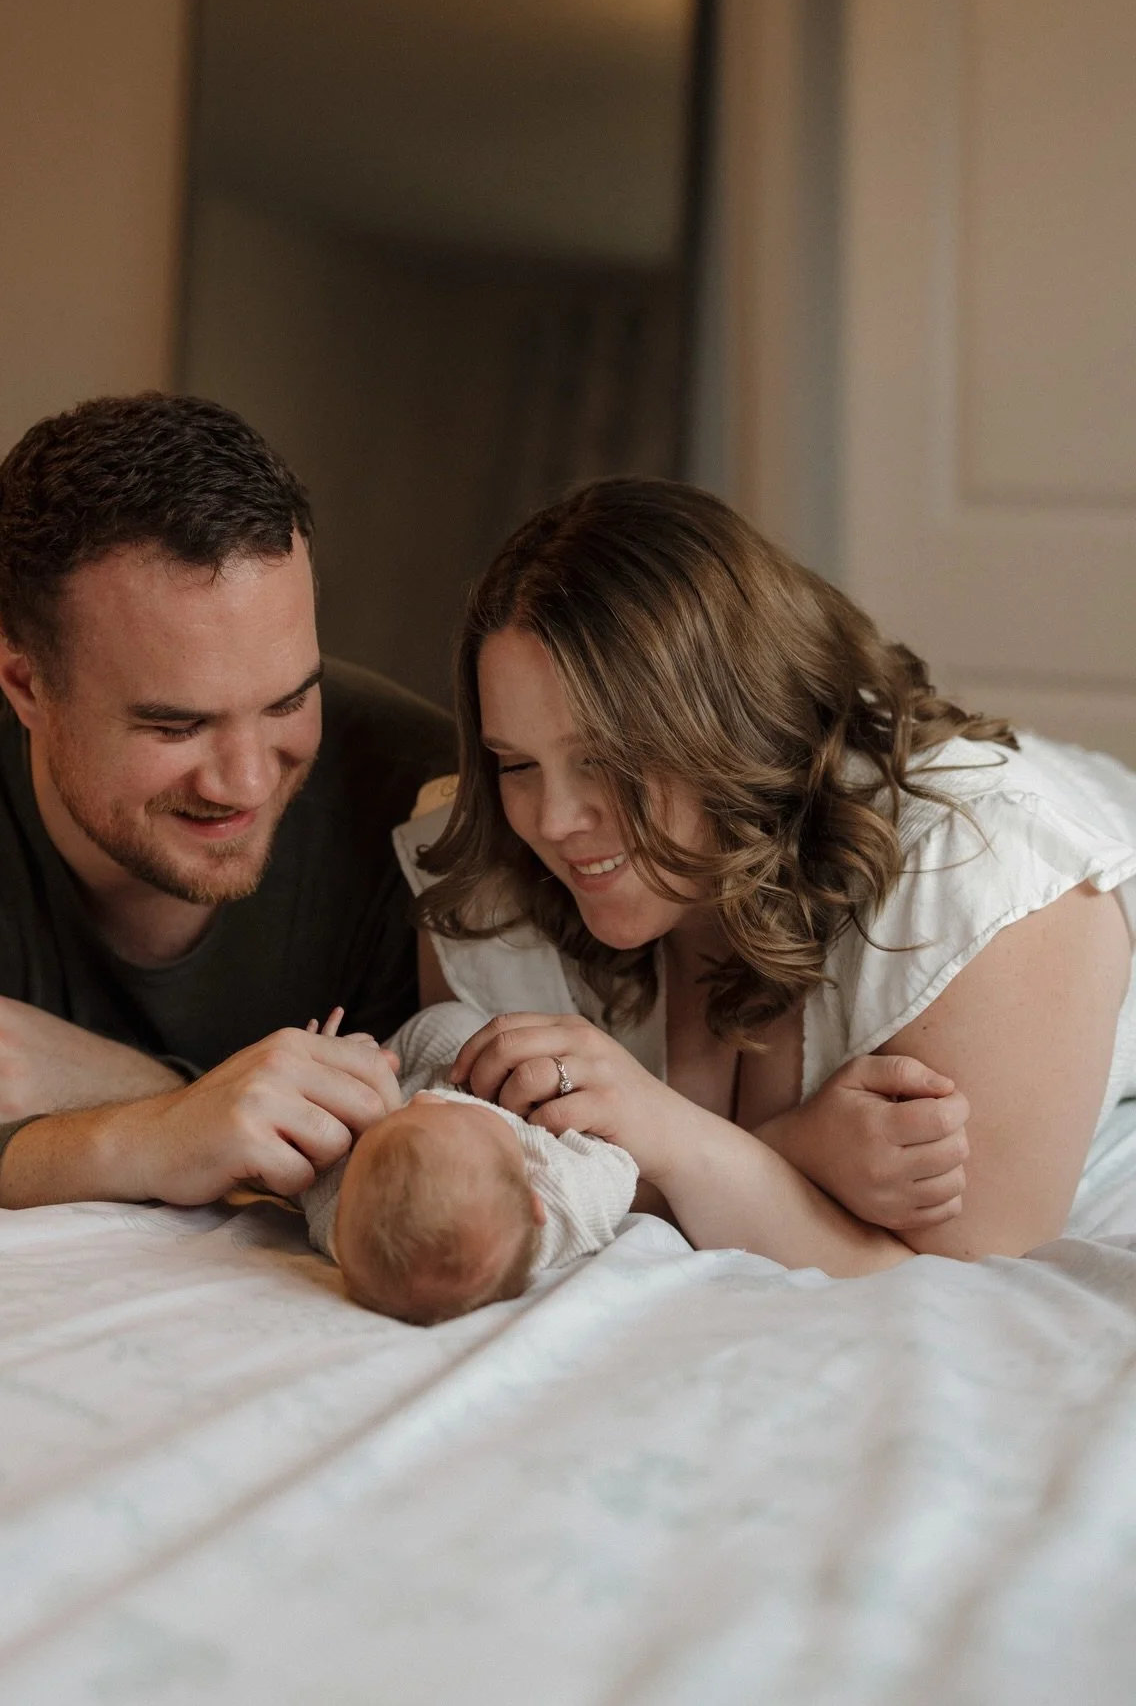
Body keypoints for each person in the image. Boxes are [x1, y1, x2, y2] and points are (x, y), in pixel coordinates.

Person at [0, 394, 453, 1206]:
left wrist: (121, 1086)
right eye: (176, 724)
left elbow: (456, 1160)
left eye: (287, 703)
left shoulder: (422, 790)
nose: (245, 780)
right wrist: (150, 1134)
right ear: (23, 679)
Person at [400, 478, 1136, 1265]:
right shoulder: (492, 883)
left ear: (728, 728)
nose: (552, 819)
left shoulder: (987, 880)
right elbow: (487, 1193)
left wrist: (677, 1140)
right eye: (516, 763)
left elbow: (963, 1292)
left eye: (603, 761)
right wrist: (782, 1148)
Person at [301, 1000, 640, 1324]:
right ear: (534, 1202)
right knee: (455, 1022)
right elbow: (619, 1166)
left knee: (425, 1037)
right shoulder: (566, 1202)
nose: (425, 1100)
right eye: (456, 1115)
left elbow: (316, 1176)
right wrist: (564, 1124)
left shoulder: (343, 1231)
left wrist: (335, 1069)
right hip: (486, 1081)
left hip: (386, 1106)